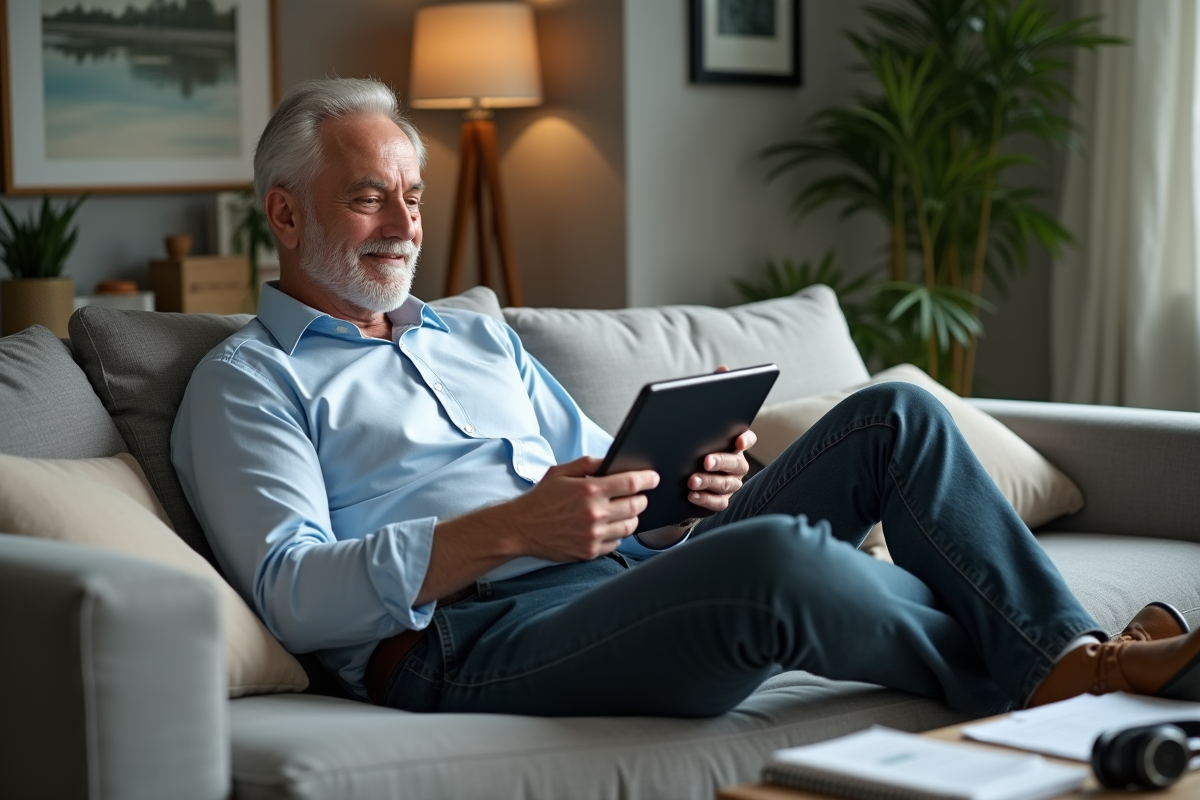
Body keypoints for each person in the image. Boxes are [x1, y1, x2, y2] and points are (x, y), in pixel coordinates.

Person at [173, 78, 1200, 718]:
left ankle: (1068, 660)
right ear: (285, 213)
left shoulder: (475, 334)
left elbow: (611, 481)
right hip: (465, 641)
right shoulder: (247, 380)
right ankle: (1070, 673)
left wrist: (681, 496)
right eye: (367, 197)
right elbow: (291, 590)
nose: (403, 222)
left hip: (622, 574)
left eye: (412, 195)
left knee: (899, 415)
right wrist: (507, 528)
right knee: (781, 556)